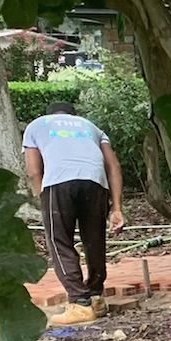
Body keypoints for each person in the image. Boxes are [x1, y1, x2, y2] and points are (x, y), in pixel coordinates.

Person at [22, 101, 126, 324]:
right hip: (96, 184)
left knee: (59, 242)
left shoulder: (37, 125)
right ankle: (97, 297)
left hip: (59, 184)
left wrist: (44, 197)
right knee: (94, 240)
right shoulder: (91, 127)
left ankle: (80, 303)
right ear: (73, 115)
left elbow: (33, 171)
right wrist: (116, 208)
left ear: (49, 114)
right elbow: (114, 166)